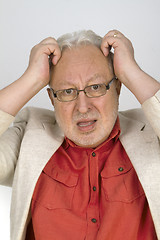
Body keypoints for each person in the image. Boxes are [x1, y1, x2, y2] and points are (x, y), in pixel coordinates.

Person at [0, 29, 160, 240]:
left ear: (118, 87)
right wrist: (31, 79)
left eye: (96, 87)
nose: (82, 107)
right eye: (67, 91)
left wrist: (131, 71)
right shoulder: (30, 134)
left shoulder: (151, 129)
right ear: (51, 98)